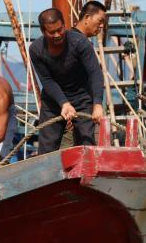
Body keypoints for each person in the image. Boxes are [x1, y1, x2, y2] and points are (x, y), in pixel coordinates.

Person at [29, 8, 104, 154]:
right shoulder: (36, 50)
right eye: (52, 32)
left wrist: (98, 104)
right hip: (53, 99)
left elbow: (95, 73)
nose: (57, 35)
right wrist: (64, 103)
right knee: (47, 147)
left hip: (82, 96)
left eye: (60, 29)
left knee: (86, 143)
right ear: (43, 32)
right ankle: (47, 175)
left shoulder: (80, 42)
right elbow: (47, 80)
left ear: (64, 24)